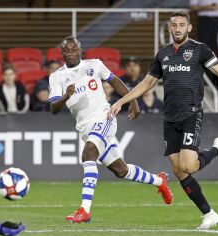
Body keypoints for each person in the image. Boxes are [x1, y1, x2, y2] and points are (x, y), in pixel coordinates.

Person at [110, 11, 218, 230]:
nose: (178, 28)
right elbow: (146, 84)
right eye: (174, 25)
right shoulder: (163, 54)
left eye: (182, 24)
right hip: (169, 118)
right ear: (170, 29)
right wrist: (121, 101)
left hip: (191, 113)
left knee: (189, 165)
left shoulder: (200, 49)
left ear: (189, 28)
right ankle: (209, 214)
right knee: (179, 170)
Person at [48, 36, 172, 224]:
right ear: (62, 53)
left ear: (80, 50)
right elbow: (53, 109)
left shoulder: (94, 65)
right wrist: (66, 96)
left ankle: (85, 210)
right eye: (67, 51)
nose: (71, 53)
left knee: (88, 153)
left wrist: (133, 101)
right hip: (85, 126)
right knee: (121, 170)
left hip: (104, 117)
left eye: (74, 50)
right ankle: (160, 181)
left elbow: (115, 82)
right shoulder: (57, 77)